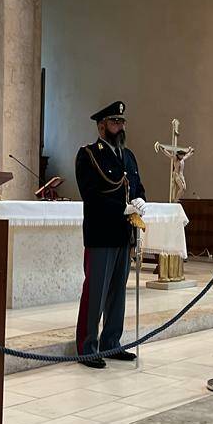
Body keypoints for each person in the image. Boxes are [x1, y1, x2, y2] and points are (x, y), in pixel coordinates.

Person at [74, 100, 147, 368]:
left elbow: (138, 186)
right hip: (101, 233)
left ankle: (111, 342)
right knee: (96, 291)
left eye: (122, 122)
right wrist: (121, 207)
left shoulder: (128, 156)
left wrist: (140, 201)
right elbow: (90, 194)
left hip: (122, 234)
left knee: (118, 291)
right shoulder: (88, 154)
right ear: (102, 125)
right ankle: (87, 346)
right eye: (115, 122)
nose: (120, 126)